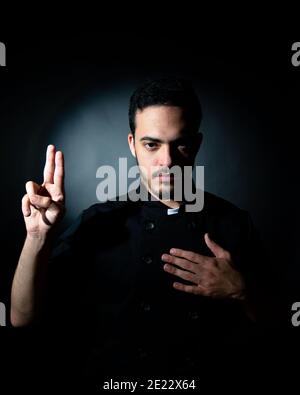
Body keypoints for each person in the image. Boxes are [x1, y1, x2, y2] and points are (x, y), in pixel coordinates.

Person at [11, 77, 267, 384]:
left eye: (180, 144)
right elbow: (21, 318)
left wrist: (243, 291)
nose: (167, 161)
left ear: (197, 144)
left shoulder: (234, 223)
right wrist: (37, 237)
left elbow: (279, 323)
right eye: (152, 144)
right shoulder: (99, 222)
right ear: (132, 145)